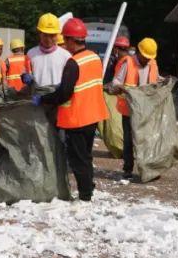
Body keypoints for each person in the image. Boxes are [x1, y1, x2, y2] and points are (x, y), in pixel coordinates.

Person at [35, 18, 108, 201]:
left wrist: (43, 99)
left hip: (76, 118)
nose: (64, 44)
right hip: (93, 115)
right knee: (86, 156)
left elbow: (63, 94)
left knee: (78, 159)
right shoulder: (94, 57)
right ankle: (88, 187)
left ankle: (85, 196)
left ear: (69, 40)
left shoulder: (73, 63)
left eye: (65, 40)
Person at [107, 37, 160, 181]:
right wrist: (121, 89)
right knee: (129, 141)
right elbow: (115, 83)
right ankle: (128, 169)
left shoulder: (153, 64)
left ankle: (148, 169)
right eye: (145, 57)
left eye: (150, 57)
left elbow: (156, 80)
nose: (147, 60)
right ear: (138, 52)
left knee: (147, 140)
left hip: (146, 110)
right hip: (129, 110)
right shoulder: (128, 63)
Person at [27, 13, 71, 86]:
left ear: (57, 34)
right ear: (39, 33)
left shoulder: (66, 56)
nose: (48, 39)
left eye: (52, 35)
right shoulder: (31, 54)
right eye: (45, 35)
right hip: (37, 95)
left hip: (57, 96)